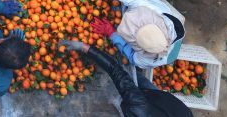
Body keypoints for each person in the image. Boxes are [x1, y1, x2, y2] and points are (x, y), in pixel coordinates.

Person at [70, 0, 185, 69]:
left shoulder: (146, 60)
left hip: (171, 47)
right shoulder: (145, 6)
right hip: (164, 12)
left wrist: (112, 34)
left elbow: (130, 55)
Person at [59, 39, 194, 116]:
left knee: (133, 90)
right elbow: (116, 72)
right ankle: (134, 88)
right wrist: (85, 47)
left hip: (156, 102)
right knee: (131, 83)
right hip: (152, 100)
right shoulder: (140, 106)